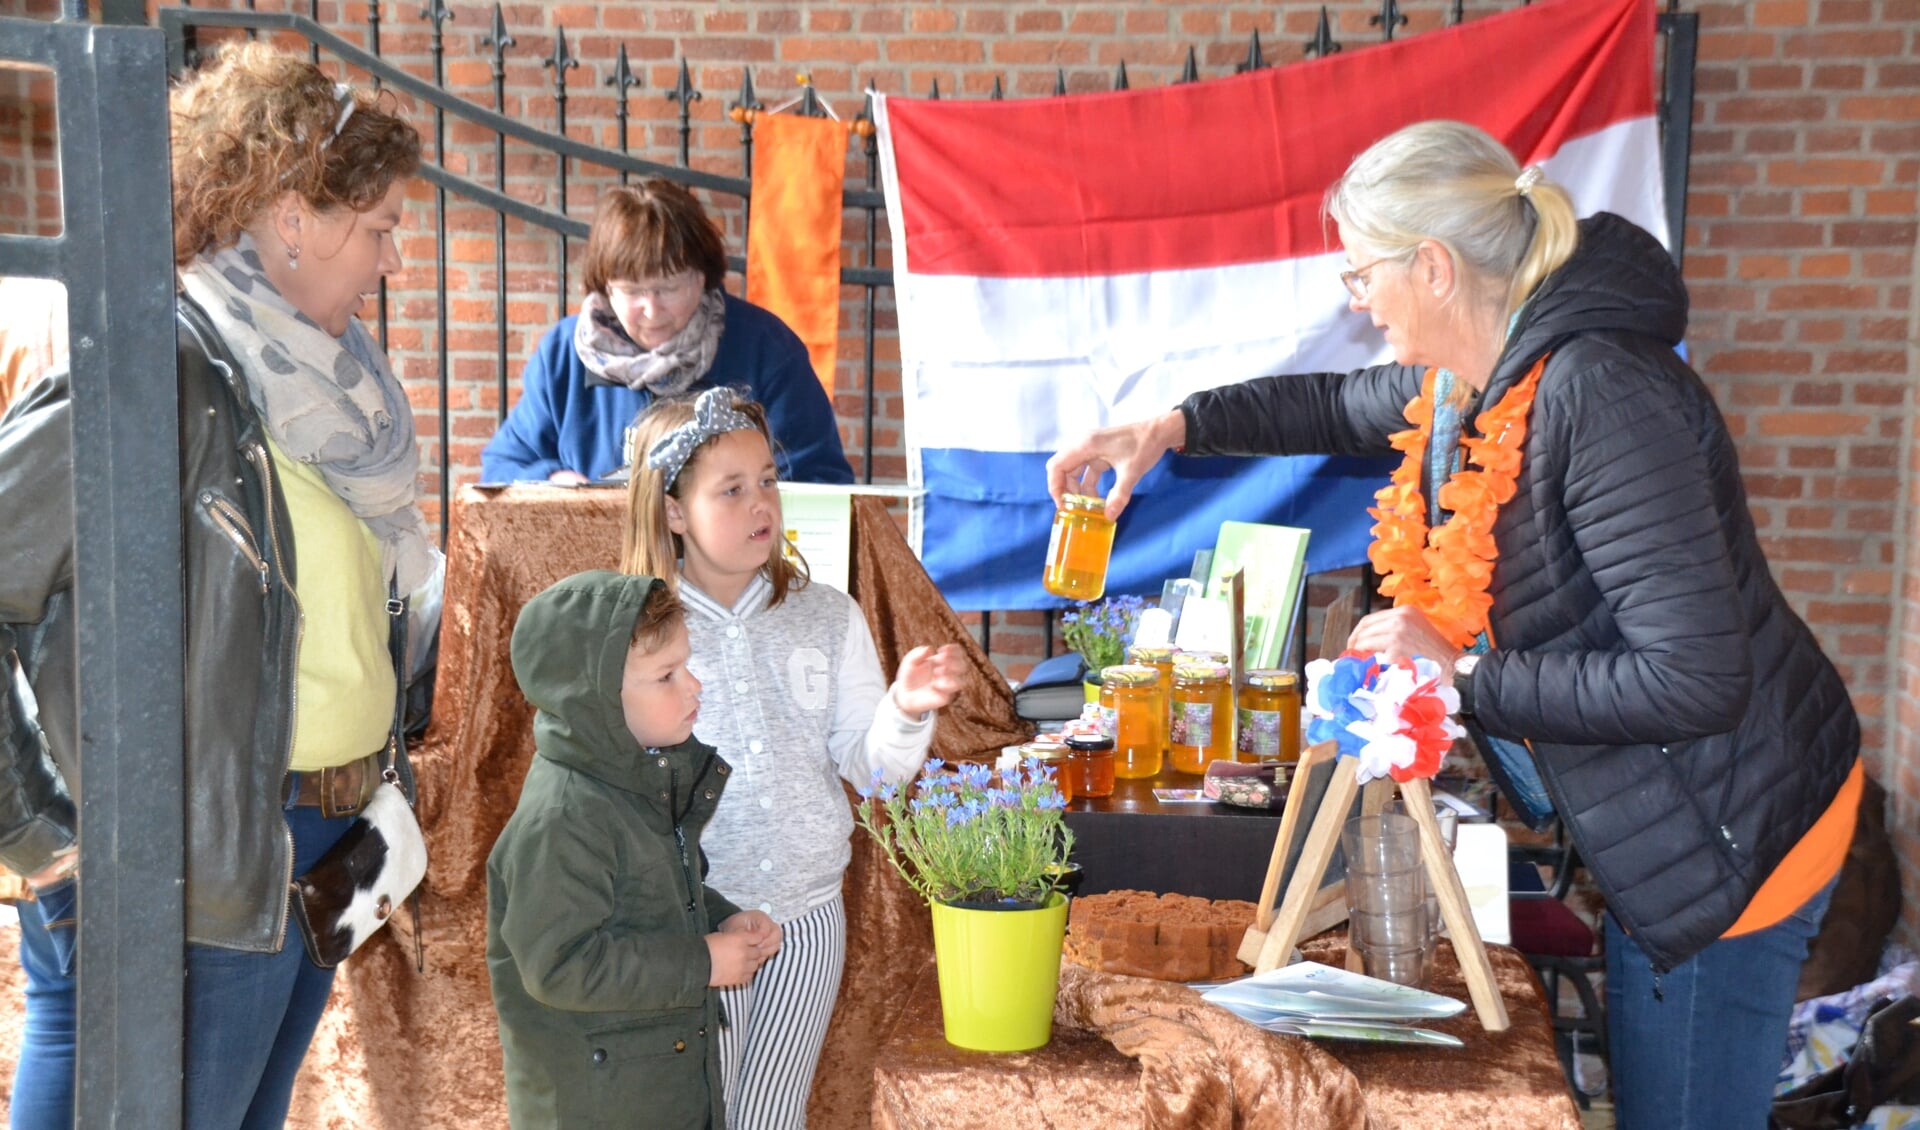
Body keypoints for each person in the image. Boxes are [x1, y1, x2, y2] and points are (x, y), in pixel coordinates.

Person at [1048, 120, 1860, 1130]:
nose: (1358, 303)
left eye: (1360, 277)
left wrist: (1463, 674)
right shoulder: (1470, 383)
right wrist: (1172, 426)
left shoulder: (1602, 395)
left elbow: (1695, 679)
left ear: (1430, 267)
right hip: (1669, 825)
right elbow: (1335, 405)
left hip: (1734, 840)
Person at [0, 44, 436, 1128]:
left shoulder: (321, 381)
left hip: (316, 826)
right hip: (205, 836)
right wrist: (32, 824)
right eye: (378, 224)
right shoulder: (169, 363)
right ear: (292, 216)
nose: (393, 256)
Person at [621, 387, 963, 1129]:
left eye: (769, 480)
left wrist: (904, 711)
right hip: (694, 925)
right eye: (732, 490)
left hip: (809, 919)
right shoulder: (640, 634)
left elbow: (872, 774)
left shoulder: (828, 614)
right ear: (675, 513)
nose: (761, 505)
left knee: (773, 1116)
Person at [488, 570, 781, 1130]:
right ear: (595, 699)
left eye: (686, 666)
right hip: (595, 1103)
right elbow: (561, 964)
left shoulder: (639, 778)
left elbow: (656, 889)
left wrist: (724, 917)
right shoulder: (564, 817)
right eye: (666, 675)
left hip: (652, 1086)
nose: (693, 686)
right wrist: (704, 960)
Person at [480, 178, 855, 487]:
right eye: (631, 290)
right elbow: (502, 468)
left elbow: (820, 483)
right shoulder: (564, 354)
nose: (652, 308)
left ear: (703, 277)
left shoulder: (767, 349)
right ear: (605, 288)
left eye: (669, 287)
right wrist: (549, 480)